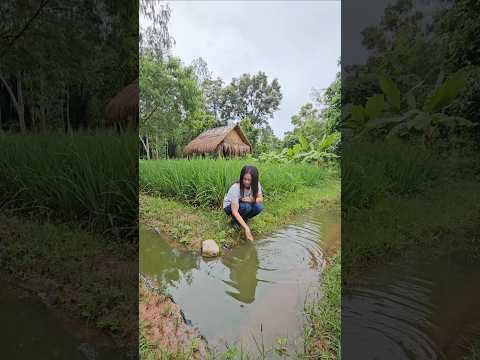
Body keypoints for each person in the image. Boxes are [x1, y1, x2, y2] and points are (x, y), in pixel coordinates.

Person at [223, 165, 264, 241]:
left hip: (243, 204)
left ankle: (243, 219)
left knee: (259, 207)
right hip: (229, 207)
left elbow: (260, 199)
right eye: (244, 179)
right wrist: (246, 228)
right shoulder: (235, 188)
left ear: (254, 180)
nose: (246, 182)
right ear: (241, 177)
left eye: (249, 180)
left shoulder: (256, 184)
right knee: (247, 207)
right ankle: (234, 221)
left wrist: (251, 200)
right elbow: (234, 211)